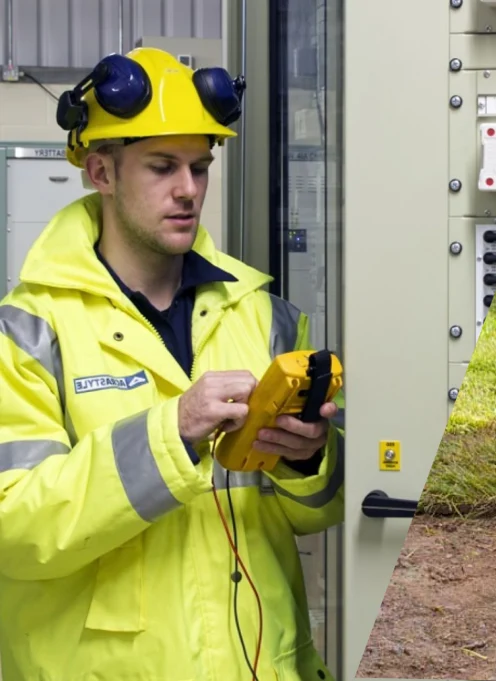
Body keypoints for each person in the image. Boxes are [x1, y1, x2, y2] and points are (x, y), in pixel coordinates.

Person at [0, 47, 344, 680]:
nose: (189, 190)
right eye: (162, 168)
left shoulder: (265, 317)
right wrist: (171, 431)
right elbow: (14, 528)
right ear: (101, 172)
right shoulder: (25, 333)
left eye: (199, 167)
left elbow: (319, 513)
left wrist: (308, 457)